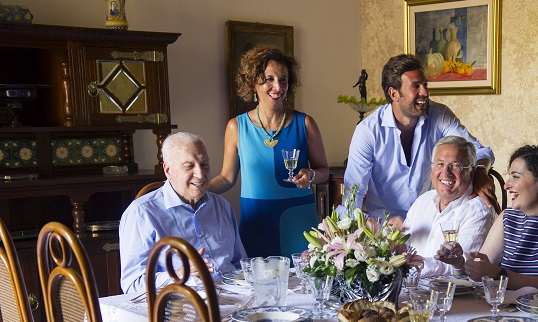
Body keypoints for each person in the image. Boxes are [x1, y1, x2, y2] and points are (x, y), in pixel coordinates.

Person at [343, 53, 496, 220]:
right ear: (394, 94)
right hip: (384, 229)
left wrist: (480, 170)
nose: (425, 92)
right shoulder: (367, 131)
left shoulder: (440, 115)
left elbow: (480, 151)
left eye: (425, 84)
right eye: (416, 86)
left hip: (431, 221)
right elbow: (352, 196)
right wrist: (366, 232)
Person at [210, 47, 329, 258]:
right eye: (269, 79)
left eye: (283, 80)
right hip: (257, 223)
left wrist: (310, 175)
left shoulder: (305, 123)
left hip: (299, 222)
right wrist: (196, 188)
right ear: (253, 83)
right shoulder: (236, 127)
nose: (278, 86)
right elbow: (227, 178)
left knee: (304, 286)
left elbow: (323, 171)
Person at [440, 145, 538, 296]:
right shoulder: (507, 218)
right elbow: (480, 276)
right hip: (513, 312)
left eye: (515, 176)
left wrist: (498, 273)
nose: (507, 185)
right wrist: (459, 264)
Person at [119, 132, 247, 294]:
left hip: (235, 301)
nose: (200, 175)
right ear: (168, 170)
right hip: (180, 308)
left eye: (204, 164)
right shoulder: (142, 214)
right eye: (189, 166)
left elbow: (239, 264)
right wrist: (179, 275)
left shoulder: (222, 206)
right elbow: (132, 285)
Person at [390, 136, 496, 277]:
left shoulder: (479, 211)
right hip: (409, 286)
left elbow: (462, 265)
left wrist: (409, 265)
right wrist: (393, 242)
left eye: (456, 165)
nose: (446, 172)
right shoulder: (423, 201)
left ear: (471, 173)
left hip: (449, 294)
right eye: (440, 164)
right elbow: (406, 249)